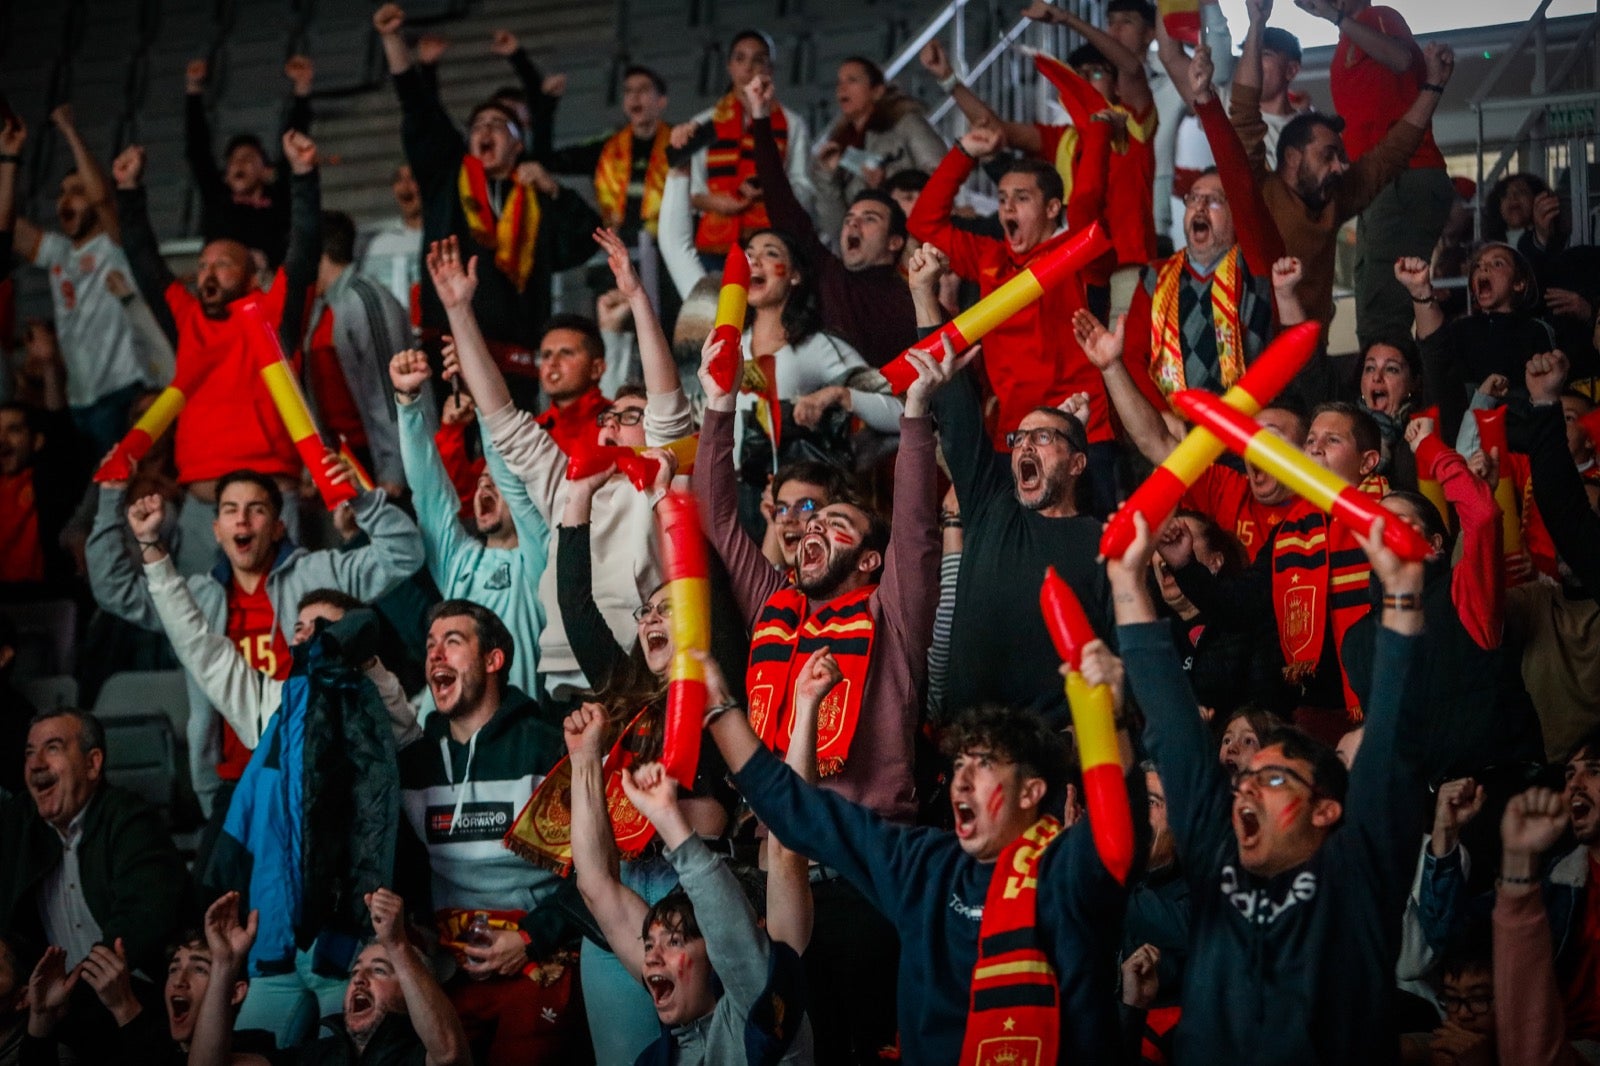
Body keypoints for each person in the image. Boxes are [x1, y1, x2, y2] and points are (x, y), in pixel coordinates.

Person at [703, 619, 1142, 1061]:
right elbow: (799, 809)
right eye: (959, 767)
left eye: (984, 765)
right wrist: (717, 708)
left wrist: (1107, 716)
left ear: (1031, 793)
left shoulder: (1067, 871)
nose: (961, 784)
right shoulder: (926, 866)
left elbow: (1120, 829)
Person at [693, 312, 940, 1061]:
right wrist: (715, 407)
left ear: (870, 561)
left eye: (833, 523)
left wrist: (918, 416)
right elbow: (716, 516)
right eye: (800, 524)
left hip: (875, 869)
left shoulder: (890, 611)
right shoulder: (778, 606)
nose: (807, 533)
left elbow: (919, 528)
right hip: (782, 874)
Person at [1117, 503, 1427, 1063]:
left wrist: (1402, 595)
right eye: (1247, 779)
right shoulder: (1219, 864)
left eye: (1275, 776)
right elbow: (1177, 732)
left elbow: (1394, 737)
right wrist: (1127, 579)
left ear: (1327, 810)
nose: (1247, 787)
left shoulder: (1357, 877)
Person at [428, 232, 695, 699]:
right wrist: (458, 312)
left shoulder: (666, 488)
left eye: (631, 417)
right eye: (606, 418)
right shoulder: (566, 485)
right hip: (558, 687)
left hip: (638, 678)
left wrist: (636, 298)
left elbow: (668, 404)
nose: (611, 427)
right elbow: (501, 418)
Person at [86, 464, 424, 820]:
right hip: (231, 785)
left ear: (279, 527)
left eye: (257, 509)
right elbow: (114, 589)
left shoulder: (319, 574)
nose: (242, 520)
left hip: (317, 774)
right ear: (216, 530)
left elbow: (404, 554)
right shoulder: (198, 597)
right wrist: (111, 498)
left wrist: (363, 501)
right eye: (230, 510)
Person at [1213, 0, 1455, 395]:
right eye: (1329, 156)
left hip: (1311, 365)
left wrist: (1434, 87)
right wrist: (1257, 24)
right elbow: (1243, 113)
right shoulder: (1258, 187)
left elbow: (1391, 154)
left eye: (1342, 157)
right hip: (1246, 362)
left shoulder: (1334, 199)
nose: (1341, 166)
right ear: (1291, 158)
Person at [912, 248, 1109, 725]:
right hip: (966, 740)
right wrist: (924, 296)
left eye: (1042, 438)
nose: (1024, 446)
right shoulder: (991, 507)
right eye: (1019, 438)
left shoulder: (1105, 543)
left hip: (1050, 751)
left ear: (1078, 462)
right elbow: (957, 407)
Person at [564, 696, 810, 1065]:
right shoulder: (669, 1034)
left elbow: (785, 855)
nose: (651, 959)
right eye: (649, 945)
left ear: (716, 956)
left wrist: (804, 710)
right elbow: (596, 884)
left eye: (674, 941)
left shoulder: (767, 1015)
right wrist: (584, 760)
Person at [111, 133, 321, 553]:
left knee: (287, 617)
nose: (207, 273)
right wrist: (129, 193)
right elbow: (146, 264)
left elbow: (302, 254)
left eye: (223, 265)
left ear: (251, 277)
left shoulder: (273, 314)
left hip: (271, 504)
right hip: (202, 510)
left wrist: (303, 178)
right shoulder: (189, 322)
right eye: (202, 264)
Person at [373, 3, 601, 389]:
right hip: (448, 351)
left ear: (518, 144)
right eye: (479, 124)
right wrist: (393, 41)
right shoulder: (447, 179)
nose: (486, 130)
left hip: (518, 358)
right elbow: (418, 110)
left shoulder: (534, 195)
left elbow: (584, 241)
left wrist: (555, 190)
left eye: (500, 124)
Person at [398, 602, 583, 1063]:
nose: (435, 656)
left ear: (493, 660)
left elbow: (596, 873)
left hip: (540, 957)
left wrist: (530, 939)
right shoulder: (414, 764)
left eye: (453, 642)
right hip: (449, 971)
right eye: (430, 646)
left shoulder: (548, 748)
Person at [906, 121, 1114, 496]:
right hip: (1014, 436)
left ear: (1052, 208)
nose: (1007, 208)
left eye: (1021, 198)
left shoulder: (1076, 253)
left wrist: (1097, 133)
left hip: (1082, 426)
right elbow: (923, 222)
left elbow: (1088, 203)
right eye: (1001, 199)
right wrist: (964, 151)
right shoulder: (990, 256)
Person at [1160, 402, 1388, 741]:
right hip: (1315, 716)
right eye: (1311, 440)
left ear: (1368, 462)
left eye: (1333, 440)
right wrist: (1185, 564)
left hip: (1386, 704)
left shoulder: (1392, 516)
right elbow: (1239, 608)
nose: (1315, 447)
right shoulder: (1289, 534)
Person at [0, 709, 192, 1057]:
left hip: (136, 1000)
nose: (36, 763)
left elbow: (140, 924)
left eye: (52, 748)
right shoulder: (20, 823)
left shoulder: (131, 821)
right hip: (56, 1007)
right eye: (29, 752)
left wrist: (69, 992)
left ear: (92, 764)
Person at [391, 347, 551, 699]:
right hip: (454, 729)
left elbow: (511, 477)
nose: (484, 485)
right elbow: (429, 494)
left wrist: (481, 392)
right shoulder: (460, 561)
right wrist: (408, 403)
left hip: (519, 732)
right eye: (480, 482)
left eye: (495, 482)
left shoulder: (541, 560)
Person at [1301, 0, 1456, 352]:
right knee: (1374, 296)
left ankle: (1390, 396)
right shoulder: (1348, 39)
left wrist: (1337, 16)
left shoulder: (1379, 17)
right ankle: (1387, 391)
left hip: (1405, 175)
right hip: (1382, 184)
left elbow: (1401, 59)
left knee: (1382, 309)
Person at [12, 105, 157, 455]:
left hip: (123, 392)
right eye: (61, 193)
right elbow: (10, 228)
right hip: (78, 399)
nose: (65, 200)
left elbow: (104, 198)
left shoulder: (115, 244)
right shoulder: (59, 253)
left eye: (76, 191)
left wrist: (69, 131)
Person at [746, 73, 918, 368]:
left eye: (869, 219)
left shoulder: (916, 302)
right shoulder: (828, 275)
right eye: (850, 218)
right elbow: (779, 198)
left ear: (895, 241)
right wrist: (761, 118)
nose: (853, 224)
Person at [187, 888, 471, 1066]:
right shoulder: (316, 1056)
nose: (359, 979)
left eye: (380, 970)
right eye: (355, 970)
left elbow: (450, 1055)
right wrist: (225, 965)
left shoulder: (416, 1056)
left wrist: (397, 946)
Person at [19, 925, 278, 1065]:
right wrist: (41, 1017)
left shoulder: (254, 1048)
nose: (179, 981)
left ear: (234, 992)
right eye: (174, 968)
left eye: (199, 969)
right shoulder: (131, 1044)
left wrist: (125, 1007)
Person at [303, 210, 411, 496]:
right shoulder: (321, 306)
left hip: (378, 458)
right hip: (349, 454)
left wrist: (393, 471)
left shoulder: (365, 299)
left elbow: (389, 390)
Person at [687, 29, 814, 259]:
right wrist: (719, 202)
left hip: (772, 238)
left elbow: (803, 186)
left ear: (771, 69)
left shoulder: (792, 123)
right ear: (729, 66)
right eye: (740, 58)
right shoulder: (703, 123)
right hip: (715, 245)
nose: (748, 68)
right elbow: (693, 189)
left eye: (758, 60)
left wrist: (770, 189)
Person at [182, 55, 314, 270]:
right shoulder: (218, 196)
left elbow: (294, 149)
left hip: (268, 286)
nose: (240, 164)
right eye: (234, 161)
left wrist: (302, 87)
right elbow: (198, 151)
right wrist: (193, 88)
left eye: (249, 159)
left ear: (265, 171)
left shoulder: (278, 200)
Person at [808, 56, 945, 245]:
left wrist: (886, 182)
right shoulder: (839, 145)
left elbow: (943, 176)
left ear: (877, 91)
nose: (842, 88)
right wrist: (826, 176)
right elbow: (836, 227)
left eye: (852, 80)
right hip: (870, 252)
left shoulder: (906, 123)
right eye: (839, 82)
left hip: (916, 242)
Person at [543, 65, 673, 247]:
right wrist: (547, 106)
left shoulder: (679, 143)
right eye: (628, 91)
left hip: (669, 249)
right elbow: (549, 162)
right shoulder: (606, 148)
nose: (634, 96)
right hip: (614, 251)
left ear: (661, 101)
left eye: (643, 89)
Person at [0, 400, 82, 586]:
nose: (1, 439)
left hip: (41, 600)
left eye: (13, 430)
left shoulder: (47, 480)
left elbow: (62, 437)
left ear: (37, 441)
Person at [358, 164, 425, 314]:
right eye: (399, 179)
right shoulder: (380, 245)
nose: (405, 186)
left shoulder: (441, 238)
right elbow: (366, 295)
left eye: (412, 178)